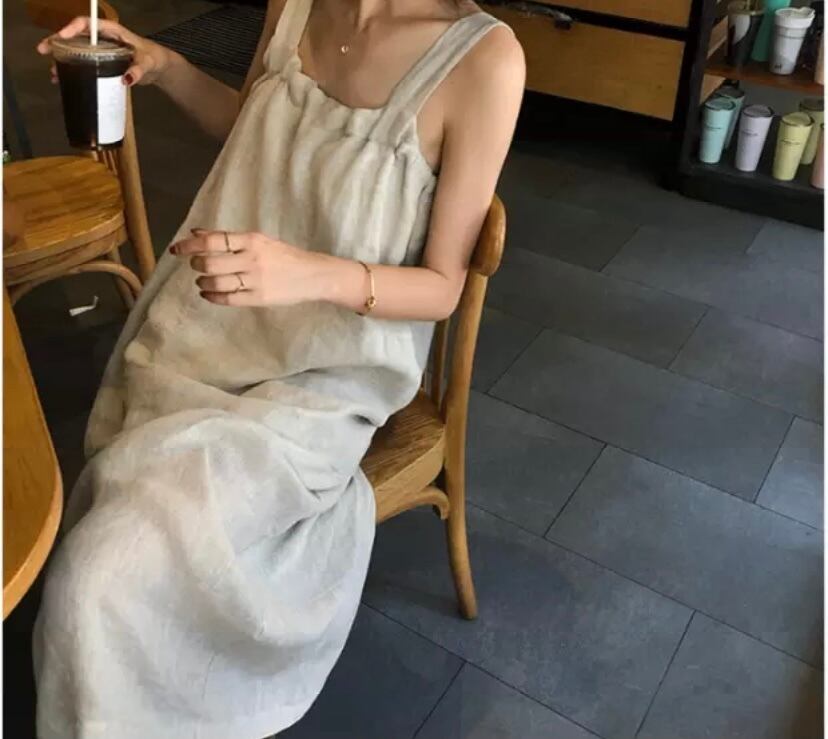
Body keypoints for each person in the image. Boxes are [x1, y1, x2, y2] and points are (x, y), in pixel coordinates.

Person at [33, 0, 524, 735]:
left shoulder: (483, 60)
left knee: (93, 581)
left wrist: (307, 274)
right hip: (208, 328)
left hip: (322, 378)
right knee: (119, 549)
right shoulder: (295, 4)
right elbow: (257, 125)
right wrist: (166, 68)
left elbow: (443, 287)